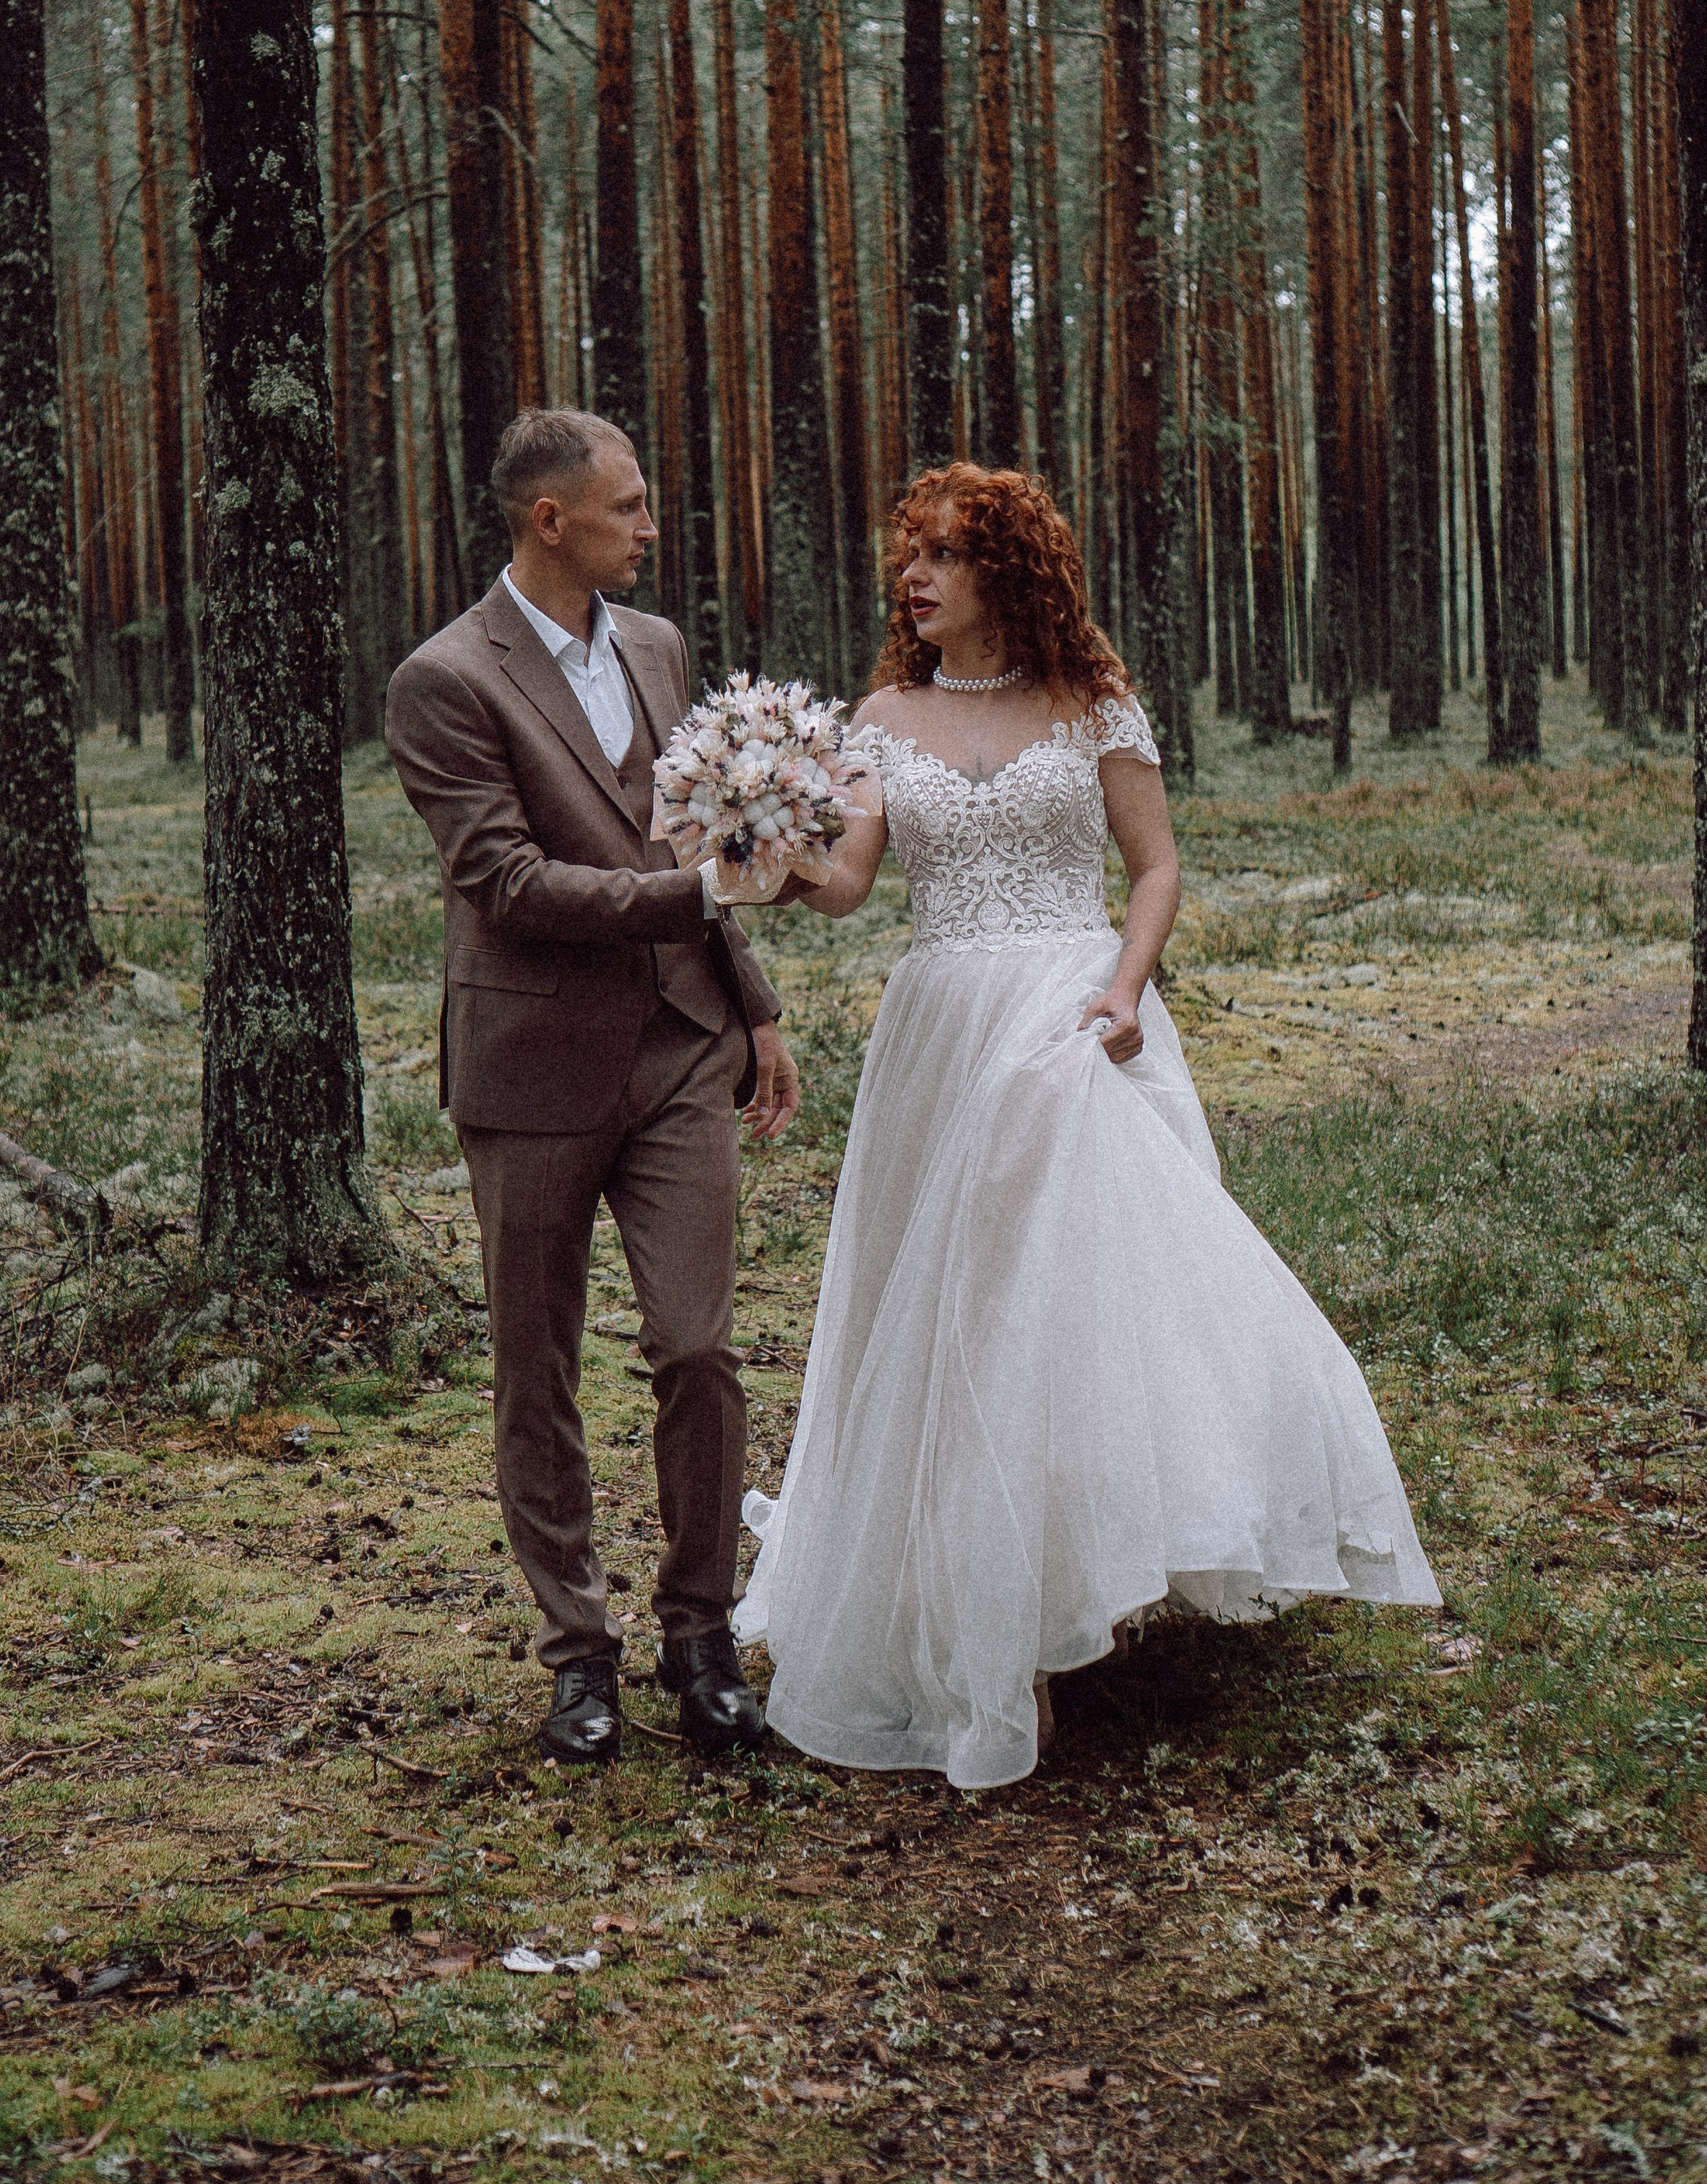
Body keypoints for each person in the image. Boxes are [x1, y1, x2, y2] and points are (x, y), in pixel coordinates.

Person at [736, 463, 1439, 1790]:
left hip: (1071, 1018)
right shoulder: (882, 713)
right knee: (950, 1310)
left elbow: (1155, 865)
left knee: (1068, 1307)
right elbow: (844, 886)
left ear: (1010, 569)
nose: (916, 575)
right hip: (942, 1029)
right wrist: (760, 849)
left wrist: (1123, 990)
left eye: (945, 552)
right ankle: (985, 1627)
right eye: (910, 554)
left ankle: (1072, 1595)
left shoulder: (1092, 701)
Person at [386, 407, 800, 1766]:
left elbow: (699, 837)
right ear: (548, 521)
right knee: (536, 1371)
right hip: (532, 1069)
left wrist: (755, 1006)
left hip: (684, 1045)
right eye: (627, 505)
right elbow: (504, 884)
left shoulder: (662, 648)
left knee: (697, 1346)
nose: (650, 522)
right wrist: (688, 893)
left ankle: (701, 1631)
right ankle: (579, 1653)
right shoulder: (445, 681)